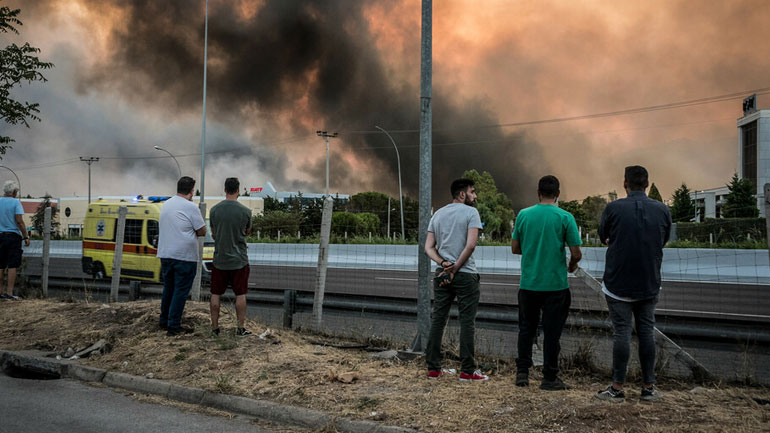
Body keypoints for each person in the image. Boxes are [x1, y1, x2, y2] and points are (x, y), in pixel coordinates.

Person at [595, 166, 671, 402]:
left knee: (622, 333)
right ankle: (648, 387)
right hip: (648, 281)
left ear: (625, 183)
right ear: (647, 184)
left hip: (618, 282)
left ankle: (617, 388)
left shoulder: (613, 208)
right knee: (646, 332)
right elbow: (664, 239)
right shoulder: (662, 210)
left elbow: (603, 236)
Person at [511, 175, 582, 390]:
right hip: (556, 286)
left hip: (529, 285)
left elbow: (515, 248)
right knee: (552, 333)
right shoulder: (565, 217)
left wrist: (532, 250)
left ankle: (522, 373)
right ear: (558, 194)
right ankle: (549, 377)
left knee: (526, 329)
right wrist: (571, 266)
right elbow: (576, 252)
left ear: (538, 193)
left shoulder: (523, 215)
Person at [424, 178, 488, 382]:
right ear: (462, 194)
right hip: (466, 274)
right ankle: (467, 371)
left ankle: (433, 368)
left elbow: (428, 247)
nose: (475, 196)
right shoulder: (471, 213)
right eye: (473, 192)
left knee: (438, 320)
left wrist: (444, 264)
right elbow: (470, 246)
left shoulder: (438, 214)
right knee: (467, 322)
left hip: (442, 274)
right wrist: (456, 268)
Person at [157, 176, 206, 336]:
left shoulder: (167, 204)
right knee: (180, 291)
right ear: (191, 191)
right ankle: (174, 326)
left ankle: (164, 321)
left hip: (166, 254)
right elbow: (202, 231)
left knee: (169, 289)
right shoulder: (190, 207)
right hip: (184, 257)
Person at [209, 177, 252, 337]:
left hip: (220, 259)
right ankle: (240, 328)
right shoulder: (245, 212)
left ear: (225, 189)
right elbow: (246, 232)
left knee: (215, 293)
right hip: (239, 260)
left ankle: (214, 328)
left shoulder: (214, 210)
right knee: (240, 294)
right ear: (238, 190)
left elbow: (213, 234)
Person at [0, 181, 30, 300]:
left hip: (0, 236)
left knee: (0, 265)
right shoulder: (16, 203)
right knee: (12, 265)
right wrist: (26, 236)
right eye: (16, 192)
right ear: (13, 192)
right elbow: (19, 221)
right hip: (13, 236)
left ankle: (0, 292)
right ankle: (10, 292)